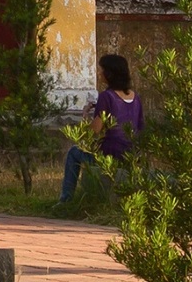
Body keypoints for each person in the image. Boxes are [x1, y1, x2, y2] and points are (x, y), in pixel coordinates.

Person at [61, 53, 143, 204]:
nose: (99, 73)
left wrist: (85, 115)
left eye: (102, 70)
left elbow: (94, 131)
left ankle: (66, 200)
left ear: (110, 74)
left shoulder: (107, 97)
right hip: (130, 154)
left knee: (74, 152)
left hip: (109, 155)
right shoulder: (135, 97)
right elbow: (139, 127)